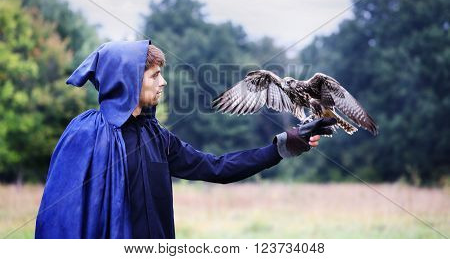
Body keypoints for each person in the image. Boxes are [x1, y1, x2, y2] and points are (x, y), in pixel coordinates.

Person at [35, 40, 336, 239]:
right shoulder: (85, 134)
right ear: (126, 80)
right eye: (154, 75)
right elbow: (61, 222)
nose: (163, 81)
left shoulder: (157, 137)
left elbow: (217, 168)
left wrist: (283, 145)